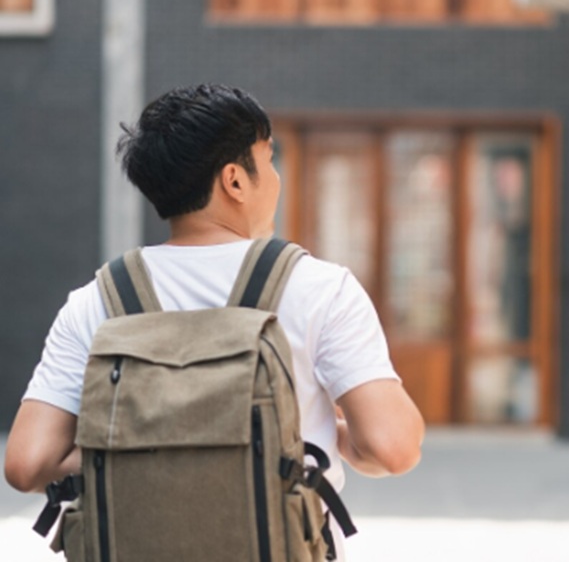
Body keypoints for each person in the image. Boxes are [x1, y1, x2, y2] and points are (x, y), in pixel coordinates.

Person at [4, 83, 425, 558]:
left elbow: (27, 464)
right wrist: (309, 435)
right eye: (269, 160)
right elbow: (392, 447)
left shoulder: (96, 301)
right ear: (235, 180)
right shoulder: (321, 289)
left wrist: (141, 447)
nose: (276, 178)